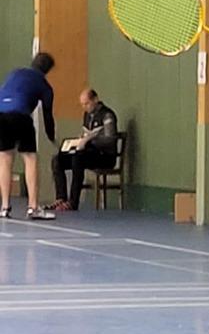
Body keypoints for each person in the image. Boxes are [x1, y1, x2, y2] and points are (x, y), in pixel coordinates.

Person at [0, 52, 57, 222]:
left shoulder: (15, 73)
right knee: (30, 158)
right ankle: (33, 207)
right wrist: (52, 136)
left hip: (1, 115)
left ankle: (5, 207)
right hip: (20, 116)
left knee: (5, 158)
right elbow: (47, 115)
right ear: (48, 70)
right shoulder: (44, 85)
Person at [51, 88, 119, 211]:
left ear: (95, 100)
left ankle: (73, 202)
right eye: (82, 104)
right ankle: (61, 198)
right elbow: (86, 134)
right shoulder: (87, 116)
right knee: (58, 159)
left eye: (87, 103)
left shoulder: (107, 115)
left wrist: (89, 141)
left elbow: (110, 140)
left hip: (104, 156)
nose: (84, 107)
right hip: (89, 153)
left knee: (78, 159)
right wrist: (80, 140)